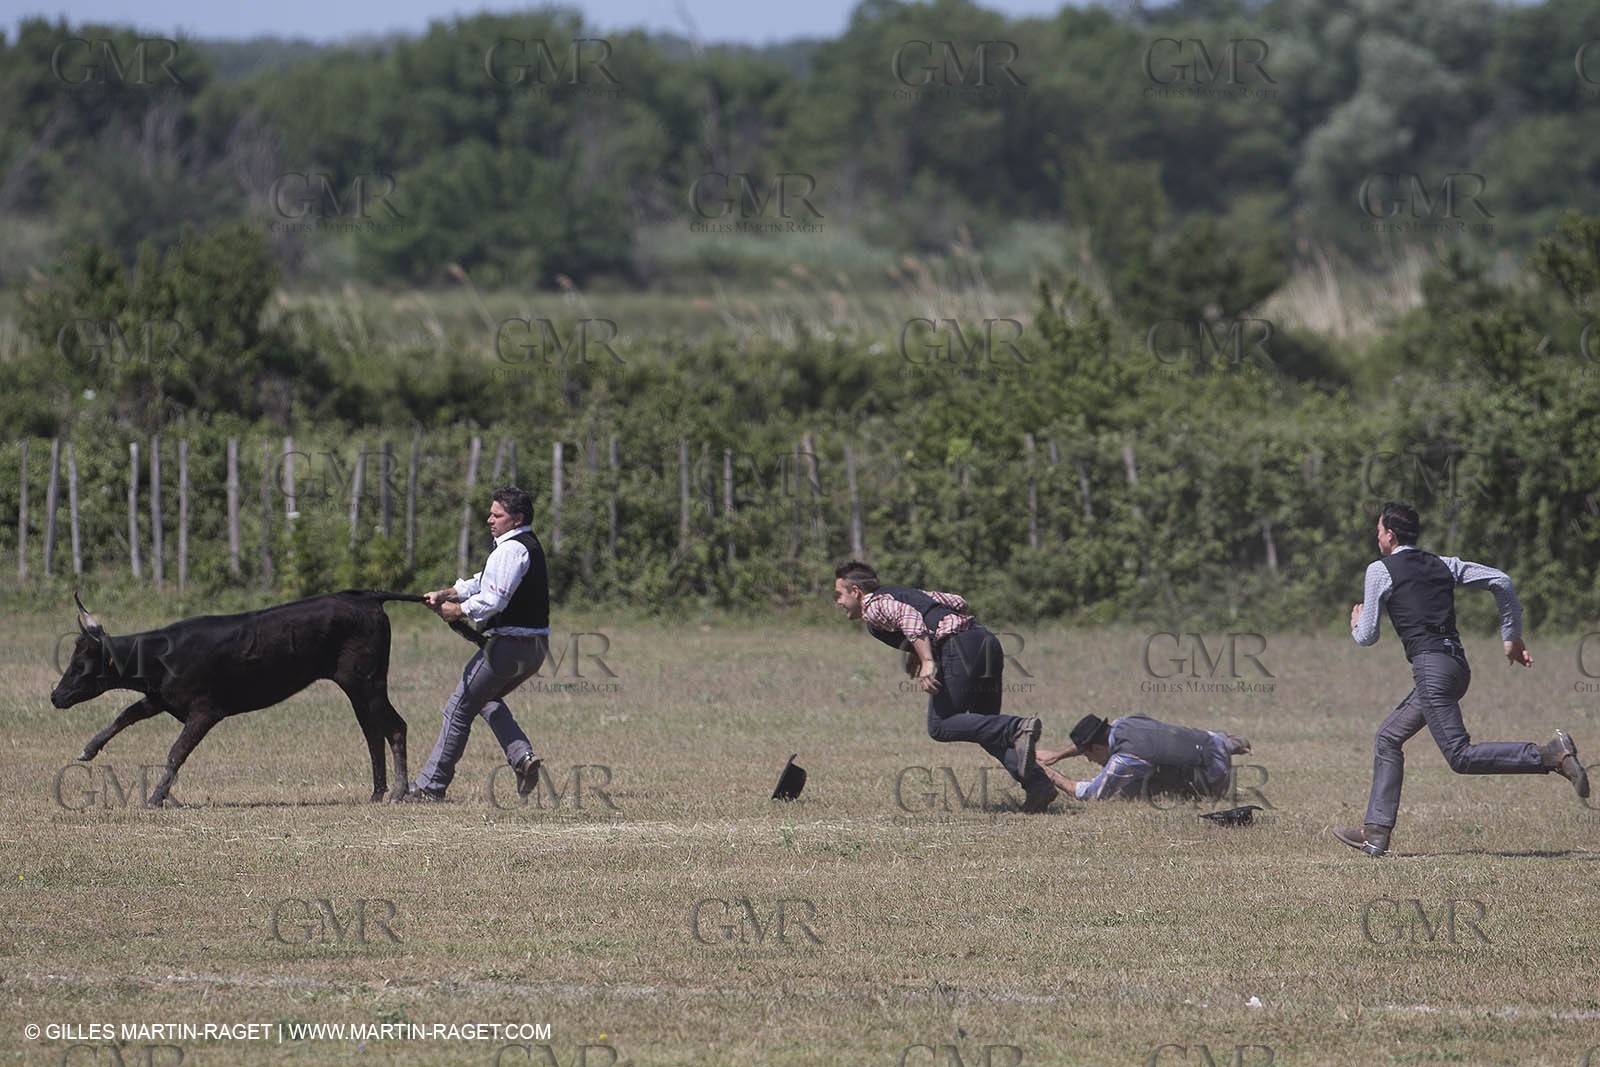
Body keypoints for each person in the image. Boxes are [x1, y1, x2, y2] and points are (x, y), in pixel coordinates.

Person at [1331, 501, 1589, 856]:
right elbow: (1500, 579)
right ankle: (1374, 832)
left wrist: (1355, 623)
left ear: (1389, 535)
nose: (1377, 538)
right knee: (1388, 738)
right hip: (1456, 667)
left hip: (1430, 669)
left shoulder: (1380, 570)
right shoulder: (1444, 564)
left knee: (1460, 756)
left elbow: (1367, 636)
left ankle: (1550, 755)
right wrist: (1511, 636)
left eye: (1378, 531)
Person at [832, 560, 1056, 813]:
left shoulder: (873, 607)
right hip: (985, 642)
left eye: (839, 594)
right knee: (986, 726)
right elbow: (957, 602)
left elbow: (909, 617)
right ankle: (1039, 786)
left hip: (960, 647)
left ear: (856, 592)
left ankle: (1017, 726)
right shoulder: (903, 592)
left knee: (940, 726)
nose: (838, 602)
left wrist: (927, 660)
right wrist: (916, 650)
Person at [402, 486, 549, 802]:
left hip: (510, 647)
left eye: (498, 515)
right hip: (533, 648)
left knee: (458, 707)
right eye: (491, 513)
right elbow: (484, 582)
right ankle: (522, 758)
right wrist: (448, 593)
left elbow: (494, 598)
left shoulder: (511, 550)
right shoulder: (523, 545)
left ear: (517, 518)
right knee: (485, 699)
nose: (489, 519)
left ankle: (430, 787)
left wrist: (458, 610)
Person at [1036, 713, 1251, 801]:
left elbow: (1093, 794)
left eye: (1088, 755)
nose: (1090, 761)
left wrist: (1051, 775)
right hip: (1212, 740)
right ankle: (1228, 744)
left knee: (1130, 790)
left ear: (1096, 748)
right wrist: (1057, 755)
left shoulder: (1127, 758)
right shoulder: (1126, 721)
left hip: (1216, 776)